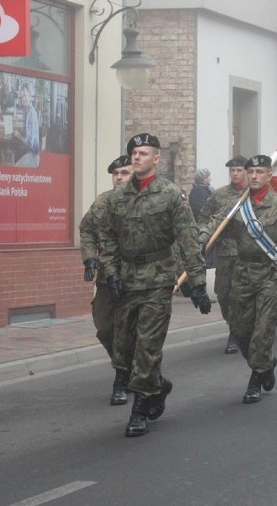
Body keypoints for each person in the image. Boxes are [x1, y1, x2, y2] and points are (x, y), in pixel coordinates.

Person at [99, 133, 212, 438]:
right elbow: (106, 237)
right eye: (134, 153)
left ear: (156, 159)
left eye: (143, 153)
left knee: (147, 347)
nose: (137, 158)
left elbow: (188, 239)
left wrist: (198, 284)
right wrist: (110, 271)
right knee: (123, 350)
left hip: (159, 279)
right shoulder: (117, 197)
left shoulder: (171, 195)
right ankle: (158, 387)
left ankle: (139, 411)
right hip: (126, 278)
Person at [202, 155, 277, 403]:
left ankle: (256, 377)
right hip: (242, 273)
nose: (253, 176)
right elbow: (213, 223)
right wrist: (201, 242)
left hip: (271, 274)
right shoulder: (236, 205)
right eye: (250, 171)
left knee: (262, 331)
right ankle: (266, 363)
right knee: (240, 329)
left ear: (269, 176)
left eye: (259, 172)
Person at [79, 155, 133, 405]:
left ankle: (123, 379)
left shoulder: (143, 200)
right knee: (104, 327)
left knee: (129, 331)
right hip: (106, 279)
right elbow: (87, 228)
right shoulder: (103, 201)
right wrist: (90, 257)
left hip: (137, 278)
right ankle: (129, 367)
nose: (120, 177)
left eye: (125, 172)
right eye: (116, 173)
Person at [197, 156, 248, 354]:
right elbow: (203, 218)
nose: (235, 174)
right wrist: (207, 237)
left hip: (246, 254)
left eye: (238, 170)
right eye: (232, 170)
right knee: (224, 294)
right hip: (226, 253)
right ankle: (234, 326)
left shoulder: (252, 194)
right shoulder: (218, 195)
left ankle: (235, 334)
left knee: (241, 295)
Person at [13, 82, 40, 167]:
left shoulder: (31, 113)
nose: (23, 99)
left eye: (25, 95)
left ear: (30, 96)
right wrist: (22, 131)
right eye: (22, 96)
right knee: (15, 155)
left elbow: (29, 144)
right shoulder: (29, 110)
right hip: (31, 153)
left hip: (33, 157)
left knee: (14, 169)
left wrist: (19, 136)